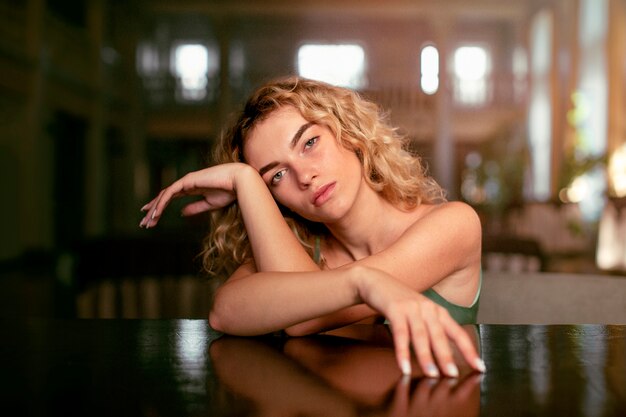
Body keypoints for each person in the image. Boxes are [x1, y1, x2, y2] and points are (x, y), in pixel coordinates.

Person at [139, 76, 485, 378]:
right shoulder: (300, 247)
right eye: (276, 175)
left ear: (348, 133)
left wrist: (360, 280)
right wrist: (245, 180)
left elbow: (302, 321)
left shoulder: (454, 224)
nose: (304, 177)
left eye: (309, 143)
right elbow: (224, 312)